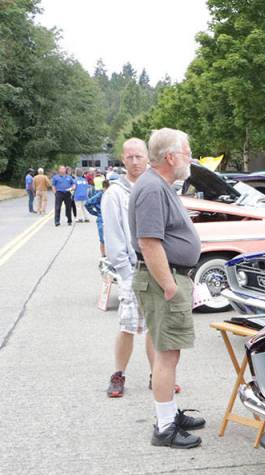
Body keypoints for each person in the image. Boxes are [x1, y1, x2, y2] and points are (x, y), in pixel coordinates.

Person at [129, 128, 204, 448]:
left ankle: (169, 413)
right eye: (187, 153)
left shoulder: (159, 185)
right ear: (171, 157)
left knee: (169, 353)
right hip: (163, 281)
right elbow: (149, 242)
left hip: (169, 278)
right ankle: (164, 427)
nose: (190, 158)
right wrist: (170, 286)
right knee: (166, 356)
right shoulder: (151, 189)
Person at [103, 139, 163, 398]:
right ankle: (119, 374)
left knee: (153, 325)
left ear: (147, 157)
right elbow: (114, 237)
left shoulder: (156, 187)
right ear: (123, 159)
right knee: (127, 325)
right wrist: (126, 273)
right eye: (130, 157)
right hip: (131, 269)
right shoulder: (114, 193)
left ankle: (157, 375)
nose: (135, 161)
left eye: (139, 156)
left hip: (156, 268)